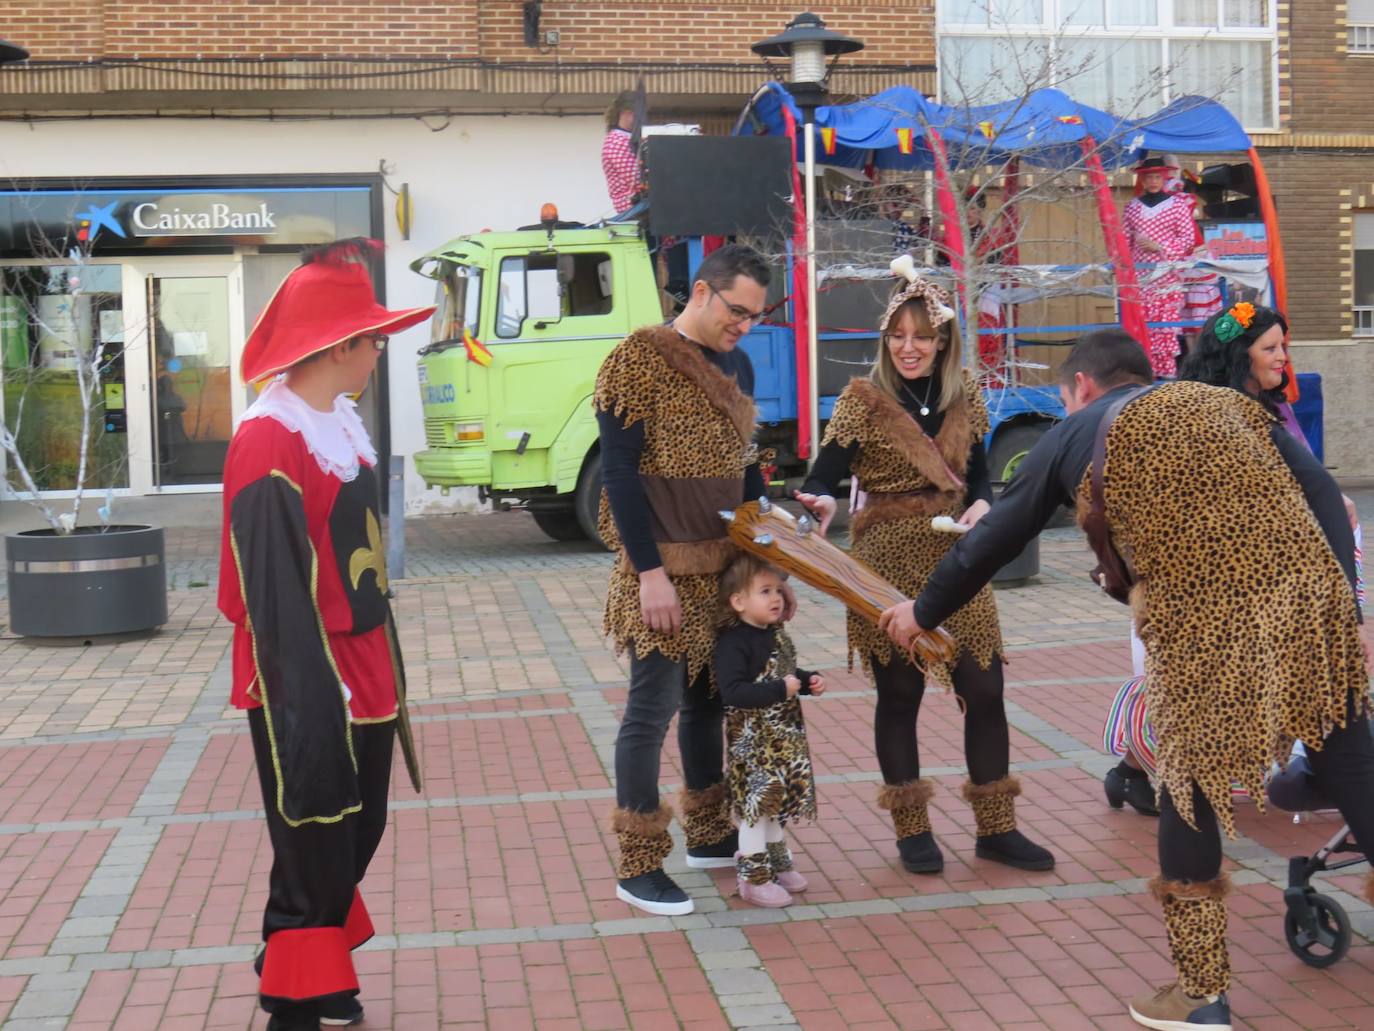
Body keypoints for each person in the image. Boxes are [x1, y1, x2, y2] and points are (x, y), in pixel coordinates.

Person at [885, 329, 1373, 1031]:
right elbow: (1323, 488)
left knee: (1190, 787)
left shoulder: (1075, 430)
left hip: (1206, 626)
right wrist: (1344, 599)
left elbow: (996, 538)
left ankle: (1201, 993)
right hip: (1312, 604)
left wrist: (922, 608)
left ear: (1081, 387)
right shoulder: (1226, 403)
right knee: (1354, 764)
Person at [217, 239, 431, 1031]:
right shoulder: (269, 438)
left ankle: (314, 962)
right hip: (302, 668)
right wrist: (309, 685)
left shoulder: (338, 417)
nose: (379, 350)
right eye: (372, 338)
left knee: (356, 826)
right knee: (311, 831)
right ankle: (295, 997)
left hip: (363, 661)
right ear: (340, 346)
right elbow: (269, 588)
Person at [794, 268, 1054, 876]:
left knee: (985, 689)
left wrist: (985, 505)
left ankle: (997, 829)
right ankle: (912, 830)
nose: (908, 347)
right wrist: (822, 501)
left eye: (922, 336)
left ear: (943, 341)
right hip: (884, 559)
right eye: (897, 335)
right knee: (900, 693)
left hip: (957, 557)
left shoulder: (966, 393)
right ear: (885, 340)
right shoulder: (862, 400)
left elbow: (981, 478)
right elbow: (819, 477)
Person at [596, 243, 790, 916]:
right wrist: (649, 571)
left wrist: (770, 529)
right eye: (737, 310)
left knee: (711, 700)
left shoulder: (736, 363)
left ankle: (709, 835)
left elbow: (743, 467)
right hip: (662, 571)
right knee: (651, 711)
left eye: (755, 316)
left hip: (721, 569)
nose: (744, 326)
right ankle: (638, 862)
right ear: (701, 292)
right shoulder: (635, 360)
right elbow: (617, 472)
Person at [714, 553, 825, 909]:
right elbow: (734, 692)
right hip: (754, 744)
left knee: (779, 802)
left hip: (783, 742)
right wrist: (783, 689)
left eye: (777, 590)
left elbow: (786, 671)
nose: (776, 598)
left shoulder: (773, 633)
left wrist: (807, 681)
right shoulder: (733, 643)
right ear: (739, 601)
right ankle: (753, 875)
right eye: (765, 591)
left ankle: (776, 860)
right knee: (756, 807)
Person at [1123, 156, 1198, 378]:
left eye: (1157, 176)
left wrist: (1159, 246)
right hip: (1140, 276)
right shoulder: (1132, 208)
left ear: (1164, 178)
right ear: (1142, 180)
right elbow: (1123, 241)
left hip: (1166, 276)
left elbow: (1188, 239)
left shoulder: (1177, 205)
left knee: (1164, 325)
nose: (1153, 181)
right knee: (1142, 324)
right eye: (1149, 177)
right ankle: (1144, 371)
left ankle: (1166, 374)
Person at [601, 90, 642, 215]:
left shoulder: (624, 138)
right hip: (632, 209)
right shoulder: (616, 141)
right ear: (627, 113)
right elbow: (637, 179)